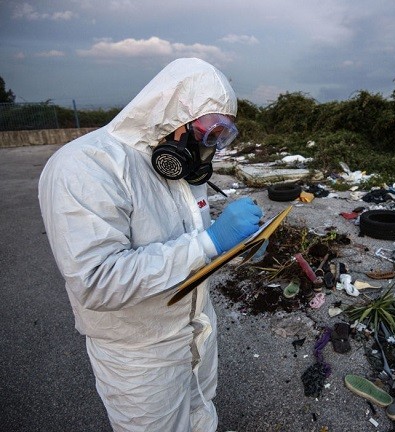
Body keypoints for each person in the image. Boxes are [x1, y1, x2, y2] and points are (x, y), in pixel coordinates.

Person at [38, 58, 263, 431]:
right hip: (139, 356)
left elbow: (194, 246)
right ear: (175, 114)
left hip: (196, 329)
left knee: (201, 414)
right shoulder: (85, 166)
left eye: (223, 136)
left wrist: (235, 250)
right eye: (210, 132)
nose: (212, 147)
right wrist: (212, 240)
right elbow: (96, 281)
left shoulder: (178, 168)